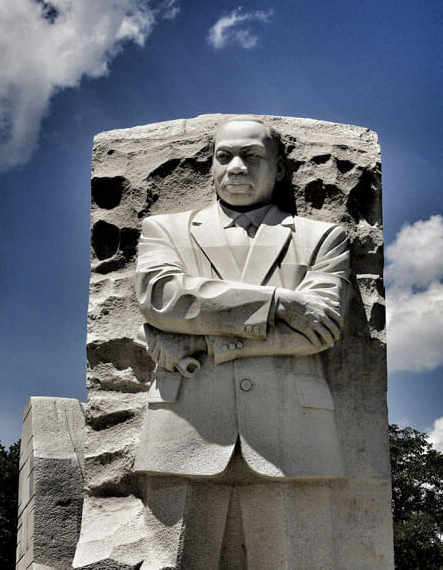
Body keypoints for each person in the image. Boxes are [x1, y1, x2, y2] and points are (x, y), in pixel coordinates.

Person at [132, 115, 350, 568]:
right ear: (210, 165)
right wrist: (279, 303)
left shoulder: (322, 238)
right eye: (224, 156)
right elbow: (163, 299)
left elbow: (322, 327)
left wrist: (216, 339)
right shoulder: (164, 231)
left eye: (251, 157)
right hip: (185, 426)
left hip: (294, 438)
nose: (235, 167)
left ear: (279, 169)